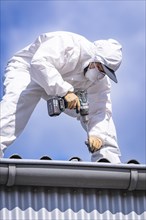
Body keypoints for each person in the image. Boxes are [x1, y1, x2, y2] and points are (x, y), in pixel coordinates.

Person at [0, 31, 122, 163]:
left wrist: (97, 135)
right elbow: (39, 63)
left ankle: (107, 161)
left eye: (105, 72)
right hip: (28, 70)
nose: (100, 75)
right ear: (94, 58)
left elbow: (100, 109)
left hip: (61, 85)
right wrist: (65, 92)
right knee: (19, 99)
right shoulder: (70, 45)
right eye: (100, 68)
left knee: (104, 119)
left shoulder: (100, 81)